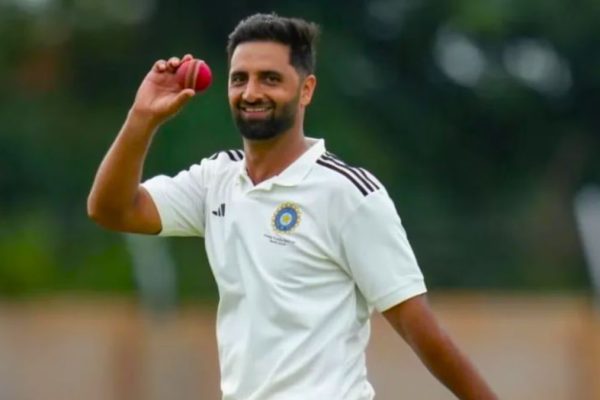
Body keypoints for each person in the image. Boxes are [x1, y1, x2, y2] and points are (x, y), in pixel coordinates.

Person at [87, 13, 498, 400]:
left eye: (270, 79)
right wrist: (142, 117)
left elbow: (417, 325)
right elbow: (112, 209)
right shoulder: (216, 178)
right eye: (239, 79)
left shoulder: (348, 192)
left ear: (306, 89)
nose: (251, 93)